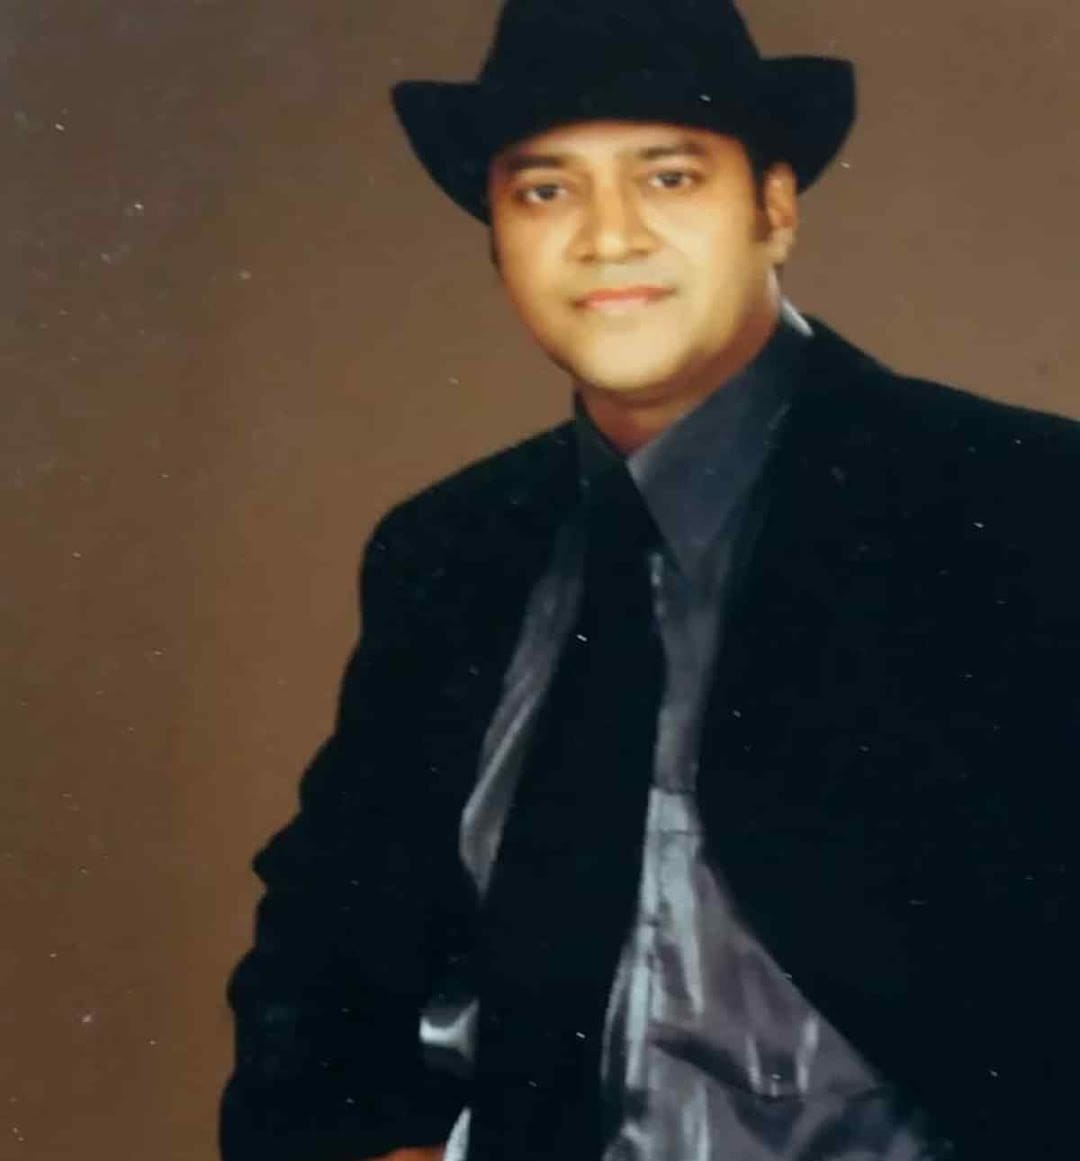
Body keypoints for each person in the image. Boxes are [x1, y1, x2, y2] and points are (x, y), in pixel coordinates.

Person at [220, 2, 1079, 1159]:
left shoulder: (1026, 503)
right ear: (496, 235)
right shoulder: (448, 548)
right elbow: (326, 932)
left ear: (775, 207)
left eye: (668, 178)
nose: (608, 237)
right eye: (546, 190)